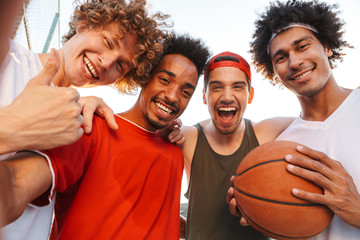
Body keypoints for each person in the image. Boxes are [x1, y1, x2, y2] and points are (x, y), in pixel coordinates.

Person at [0, 33, 210, 239]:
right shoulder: (90, 126)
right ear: (145, 77)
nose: (173, 96)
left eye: (185, 92)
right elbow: (16, 184)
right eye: (165, 80)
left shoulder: (174, 152)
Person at [228, 0, 360, 239]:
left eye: (302, 46)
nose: (294, 62)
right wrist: (258, 209)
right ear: (274, 72)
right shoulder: (282, 145)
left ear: (327, 46)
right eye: (281, 57)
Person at [177, 51, 294, 239]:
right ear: (204, 96)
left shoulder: (267, 133)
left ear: (250, 94)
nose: (227, 97)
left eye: (237, 87)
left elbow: (320, 119)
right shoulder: (187, 138)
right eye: (216, 88)